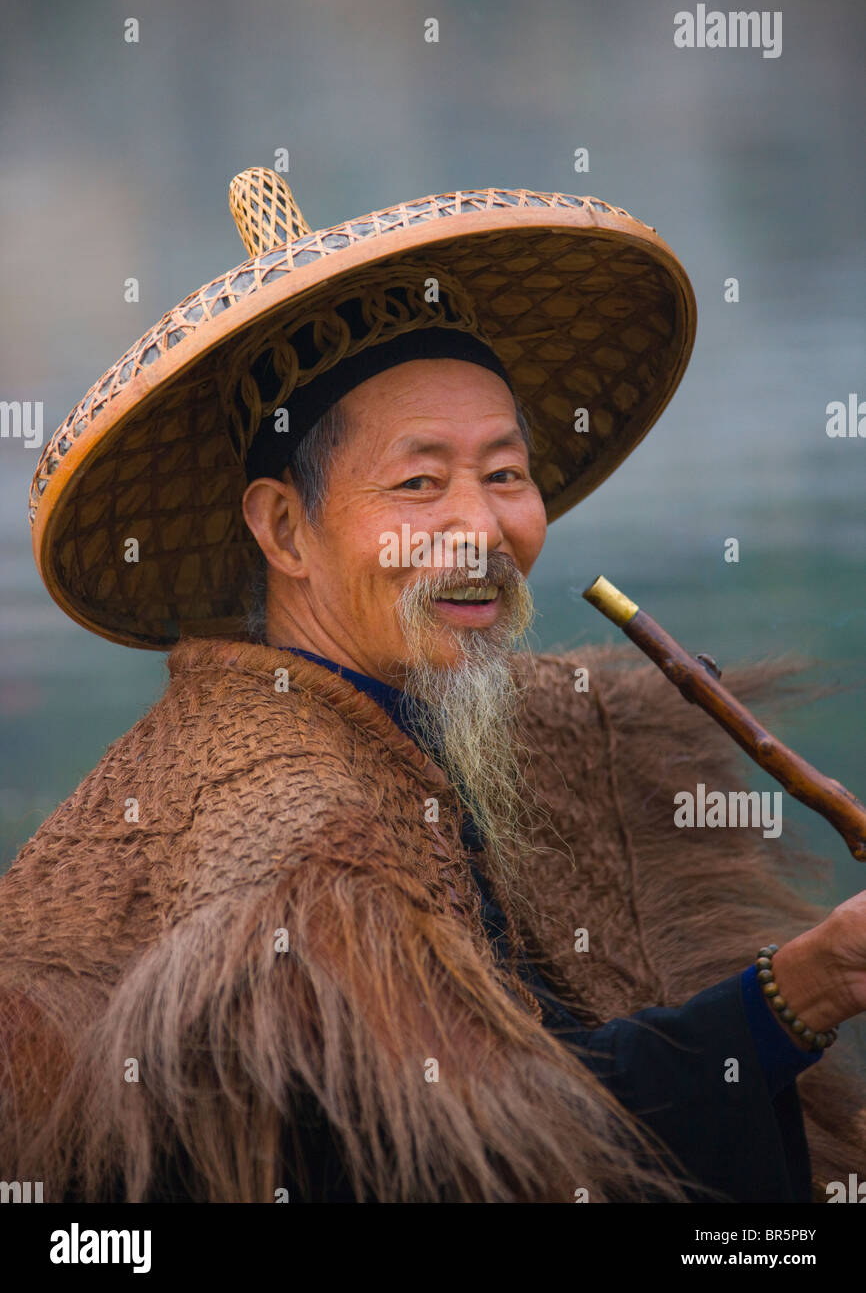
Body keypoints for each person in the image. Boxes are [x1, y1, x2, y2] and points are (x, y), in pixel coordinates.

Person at [2, 168, 864, 1204]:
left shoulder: (445, 714)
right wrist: (798, 991)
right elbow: (474, 1158)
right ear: (282, 527)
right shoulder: (288, 839)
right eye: (418, 484)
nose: (481, 530)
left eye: (504, 475)